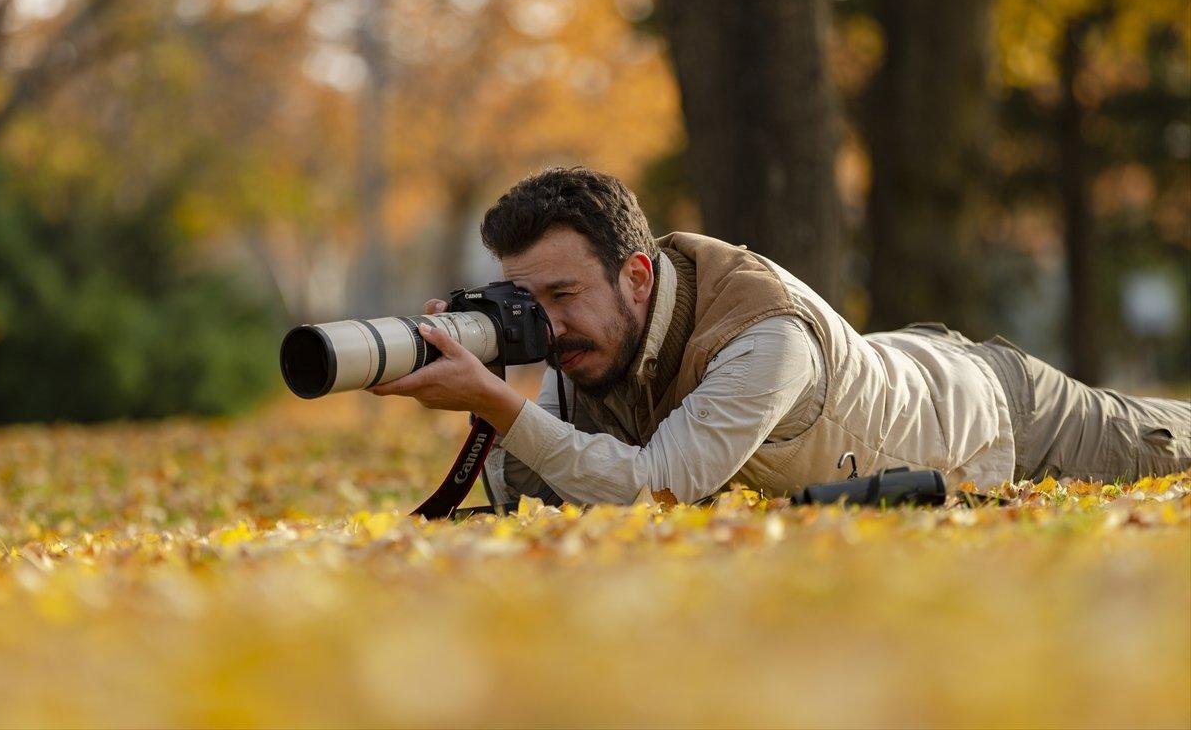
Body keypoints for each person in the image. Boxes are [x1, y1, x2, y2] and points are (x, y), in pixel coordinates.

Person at [369, 167, 1191, 506]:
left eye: (561, 294)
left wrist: (503, 411)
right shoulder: (587, 341)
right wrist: (480, 377)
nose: (544, 322)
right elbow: (541, 489)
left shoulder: (762, 335)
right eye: (524, 300)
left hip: (1000, 412)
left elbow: (658, 486)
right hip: (896, 372)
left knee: (1172, 443)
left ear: (638, 277)